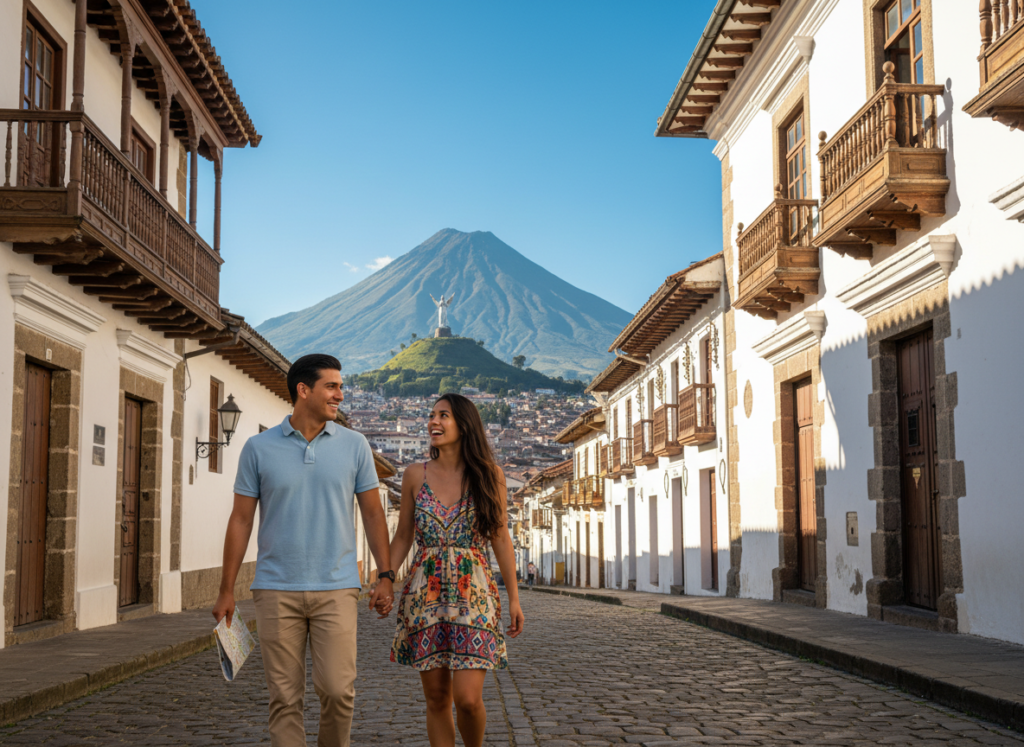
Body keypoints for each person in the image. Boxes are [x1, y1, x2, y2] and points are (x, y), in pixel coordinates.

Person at [212, 354, 395, 747]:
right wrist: (226, 589)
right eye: (332, 386)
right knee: (284, 697)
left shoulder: (355, 446)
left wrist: (385, 574)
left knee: (337, 691)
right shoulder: (258, 448)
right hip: (276, 589)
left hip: (337, 587)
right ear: (303, 390)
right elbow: (241, 520)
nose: (340, 395)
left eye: (341, 387)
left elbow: (373, 513)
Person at [387, 393, 524, 747]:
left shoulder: (489, 475)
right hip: (424, 595)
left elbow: (500, 537)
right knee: (436, 698)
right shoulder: (414, 475)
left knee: (467, 699)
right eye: (431, 415)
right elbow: (403, 535)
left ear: (464, 425)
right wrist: (385, 578)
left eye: (443, 415)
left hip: (474, 593)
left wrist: (514, 598)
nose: (433, 421)